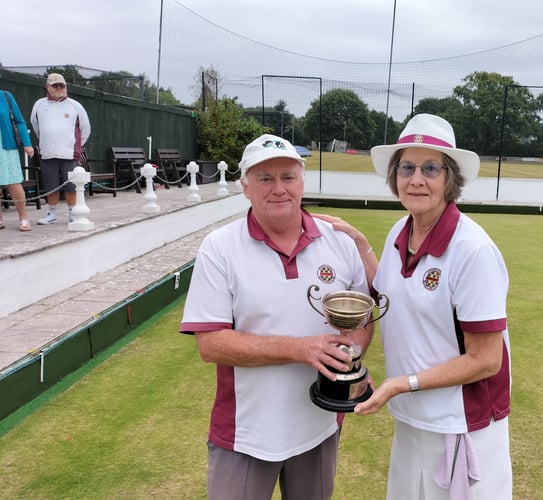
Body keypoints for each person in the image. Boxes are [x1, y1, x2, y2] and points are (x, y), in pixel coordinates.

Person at [321, 113, 513, 499]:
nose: (416, 179)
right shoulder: (400, 230)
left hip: (460, 424)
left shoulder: (472, 250)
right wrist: (361, 244)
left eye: (430, 168)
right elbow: (393, 291)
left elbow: (487, 359)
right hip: (412, 417)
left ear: (450, 178)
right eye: (406, 167)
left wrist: (401, 384)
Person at [179, 134, 373, 500]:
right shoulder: (219, 247)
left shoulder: (339, 242)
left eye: (288, 176)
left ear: (303, 182)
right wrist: (300, 349)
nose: (278, 188)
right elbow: (211, 343)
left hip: (319, 425)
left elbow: (362, 320)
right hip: (246, 433)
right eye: (265, 178)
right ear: (245, 187)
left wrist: (352, 358)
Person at [30, 73, 91, 225]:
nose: (58, 88)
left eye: (61, 85)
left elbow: (85, 129)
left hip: (69, 153)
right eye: (55, 85)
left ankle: (73, 214)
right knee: (51, 185)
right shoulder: (39, 104)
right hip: (47, 152)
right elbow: (35, 125)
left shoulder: (75, 106)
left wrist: (74, 144)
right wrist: (46, 140)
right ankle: (51, 213)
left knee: (71, 185)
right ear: (47, 86)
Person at [0, 89, 35, 231]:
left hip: (5, 144)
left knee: (13, 182)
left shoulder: (6, 96)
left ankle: (24, 218)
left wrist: (27, 144)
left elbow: (19, 121)